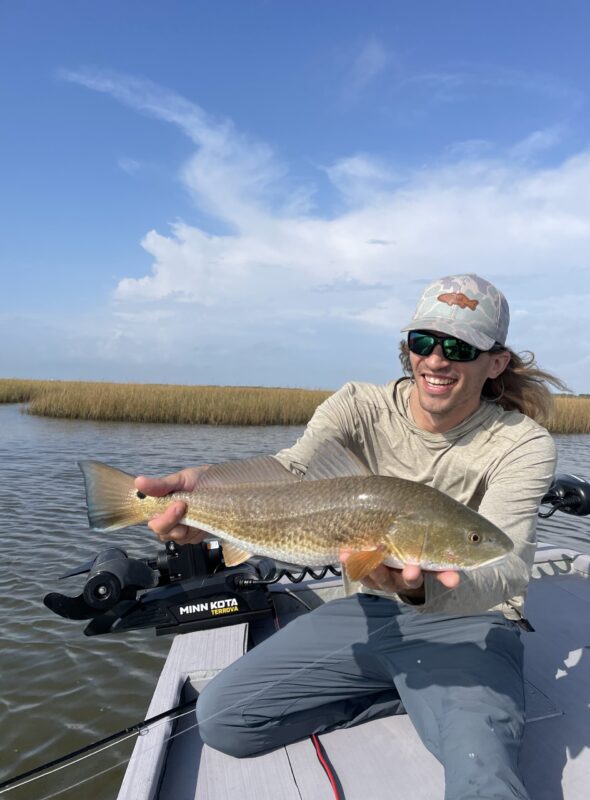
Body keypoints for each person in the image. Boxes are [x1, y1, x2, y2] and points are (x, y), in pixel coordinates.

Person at [135, 274, 563, 800]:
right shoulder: (358, 404)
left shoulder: (523, 443)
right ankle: (406, 690)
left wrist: (423, 589)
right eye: (423, 342)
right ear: (407, 349)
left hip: (470, 620)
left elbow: (506, 567)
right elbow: (293, 473)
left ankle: (440, 702)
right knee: (223, 719)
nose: (436, 360)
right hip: (367, 610)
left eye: (459, 347)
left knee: (483, 779)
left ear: (495, 362)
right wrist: (209, 493)